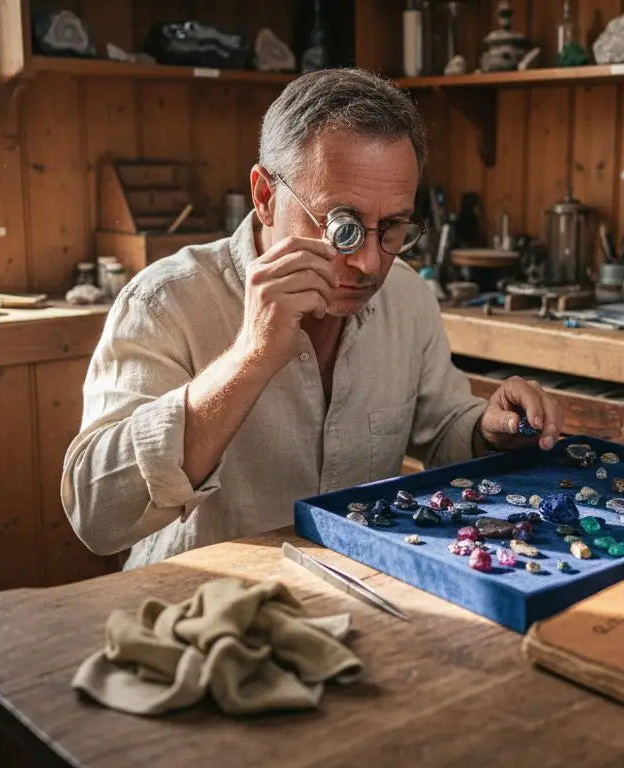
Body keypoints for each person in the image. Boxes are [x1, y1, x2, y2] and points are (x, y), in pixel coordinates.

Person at [62, 68, 565, 567]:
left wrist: (488, 430)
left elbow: (444, 429)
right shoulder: (165, 301)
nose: (369, 264)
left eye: (392, 227)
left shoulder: (406, 295)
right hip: (203, 601)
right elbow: (96, 515)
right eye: (343, 226)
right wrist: (250, 355)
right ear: (265, 197)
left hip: (361, 587)